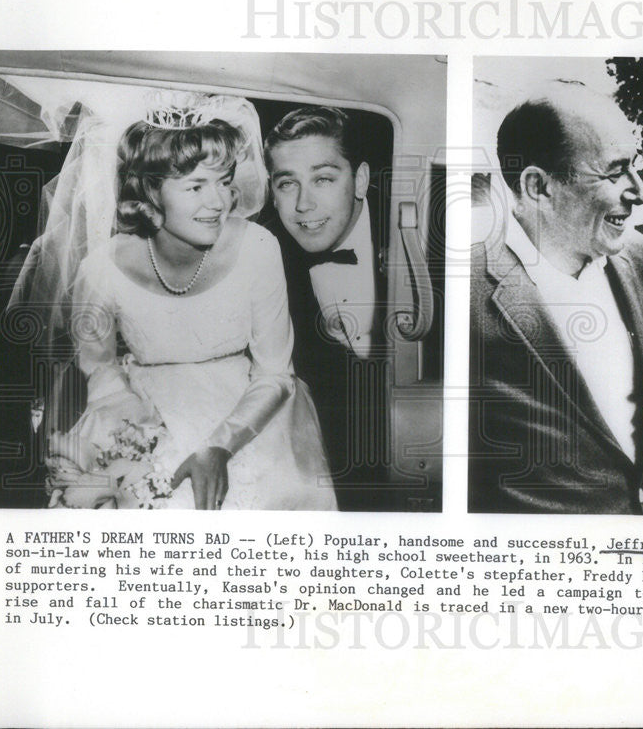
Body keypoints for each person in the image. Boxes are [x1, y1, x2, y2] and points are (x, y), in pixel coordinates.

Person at [35, 91, 336, 510]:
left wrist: (219, 448)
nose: (219, 201)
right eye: (196, 185)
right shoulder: (100, 270)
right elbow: (99, 370)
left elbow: (275, 372)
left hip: (253, 411)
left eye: (224, 181)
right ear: (150, 191)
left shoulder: (258, 248)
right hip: (140, 412)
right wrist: (141, 434)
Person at [468, 82, 643, 514]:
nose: (639, 191)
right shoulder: (464, 294)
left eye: (635, 167)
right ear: (539, 187)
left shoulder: (639, 257)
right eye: (615, 172)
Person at [262, 106, 387, 511]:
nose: (303, 204)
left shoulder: (419, 232)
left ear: (360, 180)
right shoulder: (263, 255)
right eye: (287, 184)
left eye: (323, 179)